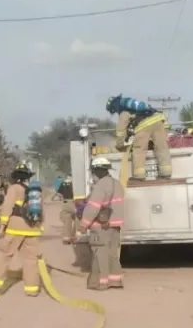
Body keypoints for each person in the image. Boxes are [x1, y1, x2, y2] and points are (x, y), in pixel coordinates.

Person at [0, 163, 44, 297]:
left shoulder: (14, 189)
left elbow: (7, 207)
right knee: (30, 260)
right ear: (27, 177)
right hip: (32, 229)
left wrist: (2, 226)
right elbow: (41, 211)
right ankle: (31, 288)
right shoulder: (33, 191)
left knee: (5, 254)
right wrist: (40, 227)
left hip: (15, 229)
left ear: (15, 177)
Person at [76, 156, 125, 290]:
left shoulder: (101, 185)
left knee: (99, 255)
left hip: (101, 227)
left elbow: (93, 208)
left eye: (93, 172)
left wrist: (82, 226)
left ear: (97, 172)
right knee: (112, 254)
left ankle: (99, 283)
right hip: (115, 226)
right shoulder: (117, 183)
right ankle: (115, 281)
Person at [107, 94, 172, 180]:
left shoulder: (124, 111)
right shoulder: (133, 104)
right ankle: (165, 173)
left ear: (114, 107)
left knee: (139, 150)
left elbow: (121, 131)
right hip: (158, 119)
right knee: (162, 147)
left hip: (143, 125)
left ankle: (139, 176)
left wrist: (119, 144)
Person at [57, 176, 77, 243]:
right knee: (78, 219)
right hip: (75, 203)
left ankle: (66, 238)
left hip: (65, 203)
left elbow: (59, 194)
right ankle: (75, 236)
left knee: (67, 221)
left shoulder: (63, 183)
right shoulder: (76, 183)